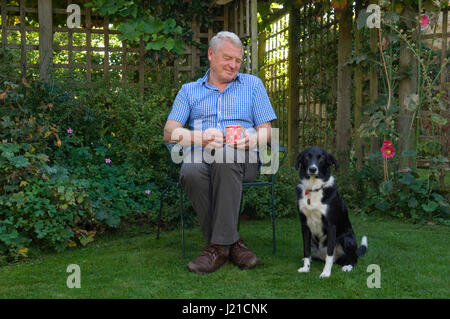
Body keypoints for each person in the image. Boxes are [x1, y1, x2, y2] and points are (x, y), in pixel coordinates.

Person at [163, 31, 277, 274]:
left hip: (243, 158)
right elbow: (170, 131)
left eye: (238, 60)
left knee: (225, 159)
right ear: (211, 55)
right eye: (228, 58)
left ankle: (216, 248)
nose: (233, 65)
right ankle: (232, 244)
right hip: (202, 155)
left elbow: (267, 130)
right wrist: (198, 138)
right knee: (191, 170)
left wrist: (253, 139)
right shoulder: (189, 91)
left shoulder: (253, 85)